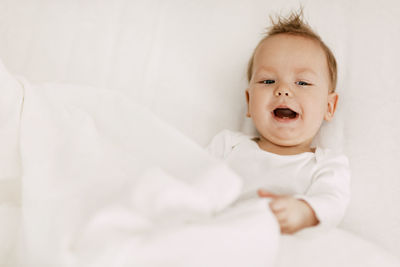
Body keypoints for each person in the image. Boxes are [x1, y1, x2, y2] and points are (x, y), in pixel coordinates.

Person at [207, 10, 350, 234]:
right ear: (249, 101)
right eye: (268, 80)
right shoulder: (227, 146)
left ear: (329, 107)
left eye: (302, 82)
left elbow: (333, 202)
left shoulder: (324, 165)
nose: (283, 90)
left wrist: (303, 211)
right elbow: (193, 178)